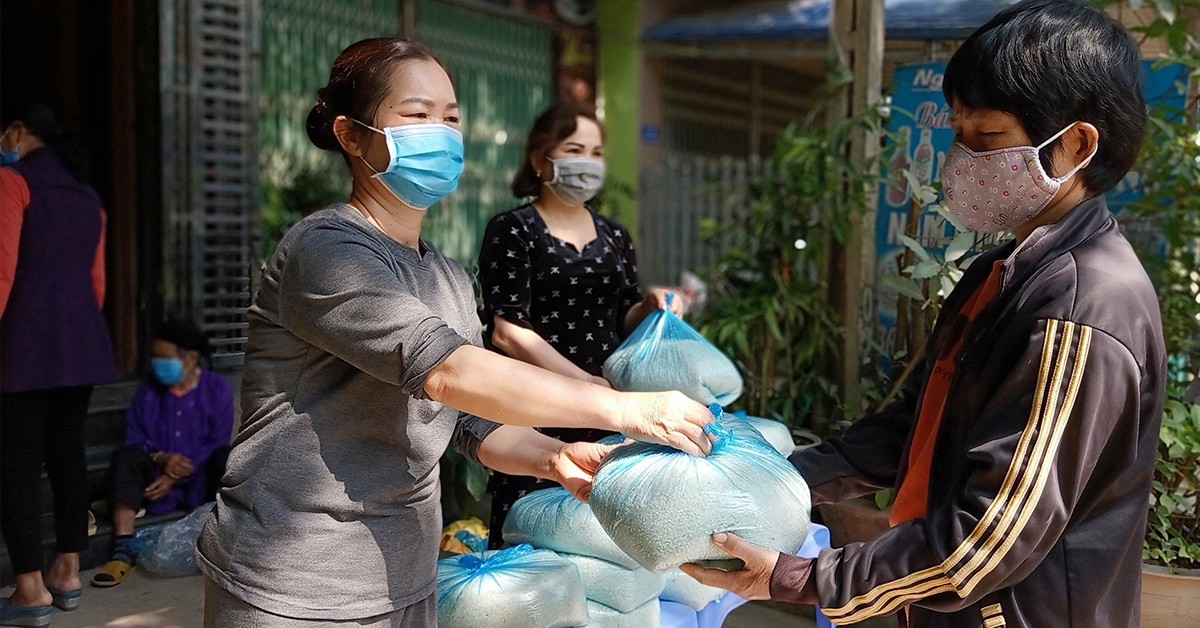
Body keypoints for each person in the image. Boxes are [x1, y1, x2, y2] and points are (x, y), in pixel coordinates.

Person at [195, 38, 712, 627]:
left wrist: (555, 456)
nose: (440, 133)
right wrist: (622, 407)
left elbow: (467, 420)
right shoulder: (326, 250)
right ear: (351, 135)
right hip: (295, 582)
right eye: (417, 115)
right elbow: (447, 372)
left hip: (404, 572)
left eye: (451, 118)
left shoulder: (446, 274)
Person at [681, 2, 1165, 627]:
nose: (960, 159)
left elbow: (987, 541)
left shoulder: (1083, 306)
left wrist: (798, 577)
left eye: (985, 137)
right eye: (957, 134)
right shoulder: (1000, 273)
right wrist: (765, 476)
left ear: (1075, 145)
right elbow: (915, 431)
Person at [476, 103, 682, 547]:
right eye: (574, 150)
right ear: (540, 159)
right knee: (530, 534)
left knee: (606, 531)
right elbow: (507, 331)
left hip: (610, 410)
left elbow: (624, 316)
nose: (587, 162)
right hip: (535, 408)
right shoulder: (513, 230)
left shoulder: (615, 235)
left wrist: (650, 305)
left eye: (596, 152)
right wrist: (586, 386)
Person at [0, 95, 117, 625]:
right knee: (67, 454)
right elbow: (97, 284)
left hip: (24, 346)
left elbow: (2, 273)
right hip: (82, 344)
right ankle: (67, 572)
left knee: (17, 464)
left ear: (17, 130)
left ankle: (29, 589)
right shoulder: (87, 196)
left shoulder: (12, 182)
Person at [90, 318, 234, 588]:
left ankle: (221, 543)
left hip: (199, 480)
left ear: (190, 358)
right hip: (153, 482)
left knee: (225, 457)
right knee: (126, 457)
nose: (158, 364)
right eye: (155, 357)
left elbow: (217, 440)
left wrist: (175, 475)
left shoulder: (216, 388)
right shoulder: (147, 393)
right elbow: (134, 437)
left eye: (165, 358)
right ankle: (122, 550)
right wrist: (161, 459)